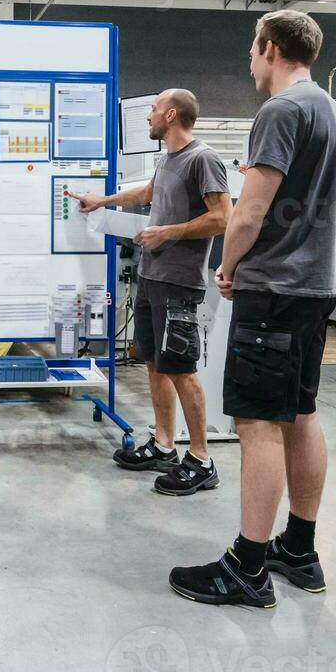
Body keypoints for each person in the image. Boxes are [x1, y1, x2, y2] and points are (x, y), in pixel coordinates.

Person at [169, 9, 336, 609]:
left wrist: (227, 266)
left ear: (270, 48)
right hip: (316, 286)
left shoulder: (280, 110)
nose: (250, 62)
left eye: (253, 50)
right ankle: (299, 549)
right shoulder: (332, 111)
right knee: (300, 412)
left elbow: (248, 213)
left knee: (256, 424)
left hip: (272, 287)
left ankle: (246, 566)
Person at [71, 89, 230, 495]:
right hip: (152, 276)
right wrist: (102, 200)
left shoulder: (203, 158)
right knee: (155, 363)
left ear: (172, 114)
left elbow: (222, 218)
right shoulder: (168, 160)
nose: (148, 117)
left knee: (181, 369)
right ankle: (163, 445)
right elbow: (146, 194)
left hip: (179, 280)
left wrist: (167, 232)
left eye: (154, 110)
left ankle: (201, 458)